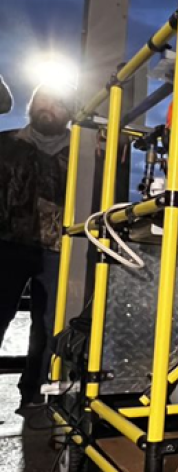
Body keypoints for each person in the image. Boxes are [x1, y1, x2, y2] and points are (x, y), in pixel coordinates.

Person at [0, 84, 74, 410]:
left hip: (58, 251)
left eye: (58, 102)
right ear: (32, 105)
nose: (49, 106)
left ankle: (35, 395)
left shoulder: (84, 155)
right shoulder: (5, 143)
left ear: (70, 113)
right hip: (5, 244)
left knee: (49, 327)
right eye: (43, 99)